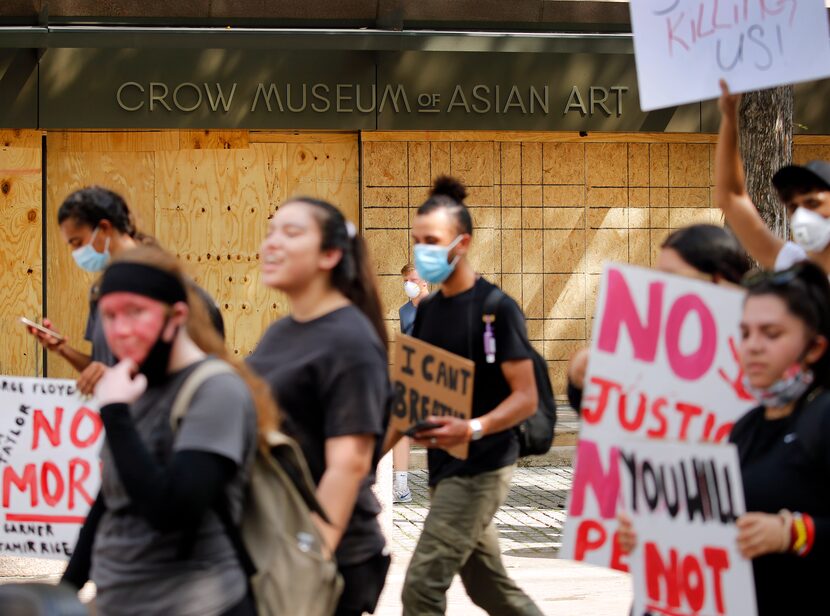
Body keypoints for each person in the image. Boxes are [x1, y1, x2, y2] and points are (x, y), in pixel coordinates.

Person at [60, 245, 272, 616]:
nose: (120, 329)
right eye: (109, 316)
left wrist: (114, 412)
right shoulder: (137, 382)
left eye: (135, 312)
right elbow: (111, 499)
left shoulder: (216, 389)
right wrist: (64, 591)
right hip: (119, 602)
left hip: (200, 606)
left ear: (176, 317)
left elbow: (171, 509)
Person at [618, 261, 830, 615]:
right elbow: (720, 529)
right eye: (745, 333)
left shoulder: (823, 416)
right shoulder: (746, 425)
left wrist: (793, 532)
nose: (753, 346)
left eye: (772, 334)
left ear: (814, 348)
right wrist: (655, 538)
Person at [393, 176, 542, 616]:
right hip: (445, 467)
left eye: (432, 241)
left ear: (463, 243)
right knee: (489, 589)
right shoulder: (429, 312)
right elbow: (409, 399)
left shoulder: (497, 307)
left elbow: (527, 397)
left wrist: (473, 426)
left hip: (483, 467)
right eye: (417, 241)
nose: (422, 251)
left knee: (420, 588)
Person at [247, 198, 391, 616]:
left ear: (330, 255)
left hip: (331, 557)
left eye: (291, 233)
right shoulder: (280, 332)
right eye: (271, 231)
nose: (271, 244)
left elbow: (349, 463)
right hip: (278, 541)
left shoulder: (350, 340)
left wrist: (309, 554)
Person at [26, 186, 224, 394]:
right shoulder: (100, 290)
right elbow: (102, 367)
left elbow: (190, 370)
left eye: (78, 243)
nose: (75, 253)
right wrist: (62, 349)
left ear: (103, 228)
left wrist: (120, 376)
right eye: (111, 315)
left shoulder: (166, 283)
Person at [567, 224, 751, 411]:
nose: (661, 287)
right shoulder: (652, 343)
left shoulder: (755, 344)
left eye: (672, 277)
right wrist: (579, 377)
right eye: (659, 277)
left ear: (717, 279)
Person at [715, 80, 830, 273]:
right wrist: (729, 117)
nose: (802, 215)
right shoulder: (794, 264)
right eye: (793, 207)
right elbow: (730, 198)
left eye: (812, 203)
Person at [394, 263, 429, 504]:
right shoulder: (404, 311)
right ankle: (401, 487)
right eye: (406, 280)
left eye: (413, 279)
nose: (409, 284)